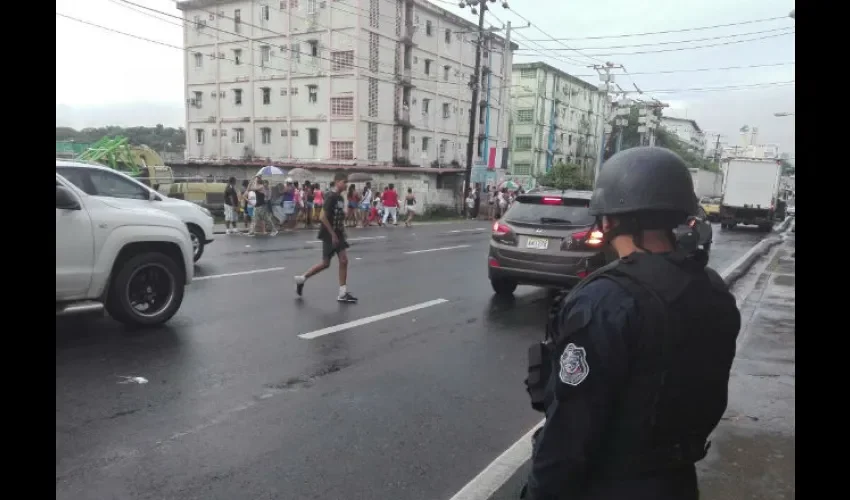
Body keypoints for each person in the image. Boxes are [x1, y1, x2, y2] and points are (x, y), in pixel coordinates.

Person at [522, 147, 741, 500]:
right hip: (678, 481)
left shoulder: (606, 301)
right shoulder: (712, 287)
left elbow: (569, 433)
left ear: (608, 220)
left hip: (610, 483)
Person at [294, 172, 358, 303]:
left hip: (338, 233)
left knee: (342, 260)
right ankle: (302, 278)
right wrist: (333, 234)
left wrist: (345, 221)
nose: (346, 185)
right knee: (326, 263)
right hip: (330, 234)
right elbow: (322, 217)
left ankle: (342, 292)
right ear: (337, 182)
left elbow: (338, 216)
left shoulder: (340, 198)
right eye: (344, 182)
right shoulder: (331, 196)